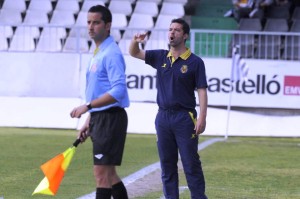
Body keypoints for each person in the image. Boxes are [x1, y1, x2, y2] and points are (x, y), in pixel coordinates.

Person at [129, 18, 208, 199]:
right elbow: (134, 53)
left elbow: (202, 91)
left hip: (185, 118)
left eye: (177, 30)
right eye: (170, 29)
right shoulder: (160, 56)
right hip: (163, 118)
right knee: (167, 165)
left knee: (190, 164)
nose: (172, 33)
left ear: (185, 35)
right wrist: (135, 40)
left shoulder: (195, 62)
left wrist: (202, 117)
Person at [70, 5, 130, 199]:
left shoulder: (111, 53)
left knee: (101, 176)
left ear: (107, 26)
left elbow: (119, 90)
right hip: (100, 117)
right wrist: (89, 120)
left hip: (110, 119)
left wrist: (87, 107)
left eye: (96, 22)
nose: (91, 26)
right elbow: (100, 91)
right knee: (110, 175)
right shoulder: (99, 52)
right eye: (89, 22)